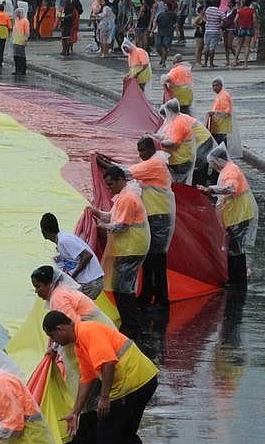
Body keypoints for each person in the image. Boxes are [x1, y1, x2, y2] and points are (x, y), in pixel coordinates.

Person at [44, 311, 162, 444]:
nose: (54, 341)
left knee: (106, 432)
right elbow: (87, 379)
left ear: (61, 328)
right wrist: (75, 412)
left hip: (131, 384)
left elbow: (108, 362)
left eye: (52, 336)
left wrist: (105, 397)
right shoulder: (79, 343)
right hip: (142, 380)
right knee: (125, 435)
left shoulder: (87, 332)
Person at [88, 165, 150, 329]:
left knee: (123, 289)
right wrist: (97, 213)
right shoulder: (124, 195)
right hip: (129, 247)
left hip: (131, 248)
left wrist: (101, 226)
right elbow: (113, 217)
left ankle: (131, 325)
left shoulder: (128, 198)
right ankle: (131, 323)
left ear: (121, 180)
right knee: (122, 287)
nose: (108, 188)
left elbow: (120, 225)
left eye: (111, 184)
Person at [123, 138, 175, 305]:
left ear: (152, 149)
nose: (140, 155)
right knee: (153, 258)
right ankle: (151, 295)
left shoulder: (154, 164)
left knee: (155, 259)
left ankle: (157, 298)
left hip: (157, 216)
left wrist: (101, 162)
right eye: (139, 151)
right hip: (157, 215)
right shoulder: (156, 161)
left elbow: (125, 173)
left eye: (143, 151)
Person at [199, 144, 257, 289]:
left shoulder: (230, 172)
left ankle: (237, 279)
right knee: (236, 248)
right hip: (237, 213)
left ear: (219, 160)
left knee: (235, 248)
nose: (213, 167)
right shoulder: (228, 169)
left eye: (213, 164)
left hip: (239, 214)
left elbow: (231, 188)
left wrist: (210, 189)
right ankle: (237, 277)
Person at [40, 212, 103, 299]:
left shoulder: (64, 240)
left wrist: (73, 276)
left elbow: (87, 256)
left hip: (91, 281)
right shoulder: (62, 241)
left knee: (74, 308)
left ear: (43, 231)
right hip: (89, 281)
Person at [206, 78, 233, 145]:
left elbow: (227, 112)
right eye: (213, 86)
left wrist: (214, 113)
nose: (214, 88)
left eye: (216, 86)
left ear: (221, 86)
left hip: (222, 124)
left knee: (220, 141)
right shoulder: (220, 95)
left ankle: (223, 154)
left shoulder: (224, 96)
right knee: (219, 140)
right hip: (218, 123)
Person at [10, 8, 29, 75]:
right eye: (17, 13)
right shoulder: (16, 20)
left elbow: (26, 32)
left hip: (21, 41)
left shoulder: (25, 21)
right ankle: (17, 69)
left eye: (19, 13)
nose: (17, 14)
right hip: (15, 40)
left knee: (21, 56)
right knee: (16, 56)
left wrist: (25, 39)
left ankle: (22, 70)